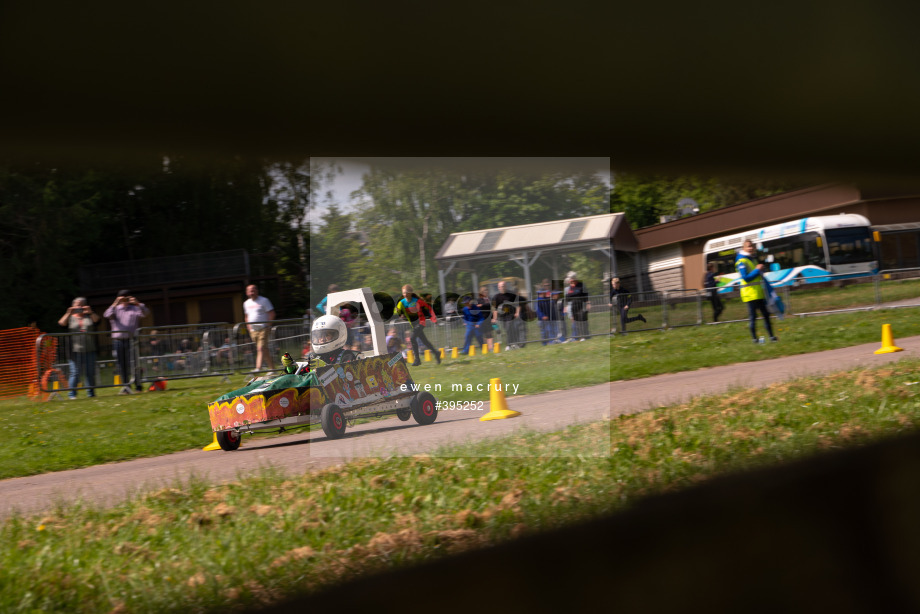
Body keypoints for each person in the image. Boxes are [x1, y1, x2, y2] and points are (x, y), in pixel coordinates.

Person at [104, 289, 149, 392]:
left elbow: (146, 313)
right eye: (122, 297)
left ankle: (138, 386)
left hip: (132, 340)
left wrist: (137, 303)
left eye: (127, 297)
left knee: (134, 364)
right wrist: (115, 303)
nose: (125, 299)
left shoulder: (135, 308)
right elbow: (106, 315)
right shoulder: (115, 309)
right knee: (121, 364)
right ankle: (126, 386)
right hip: (118, 340)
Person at [736, 239, 778, 343]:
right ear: (743, 248)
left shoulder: (752, 259)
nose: (751, 248)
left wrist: (761, 270)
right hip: (750, 294)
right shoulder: (741, 261)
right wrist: (757, 270)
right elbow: (746, 278)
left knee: (766, 315)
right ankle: (755, 339)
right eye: (748, 246)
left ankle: (772, 337)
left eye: (752, 246)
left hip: (758, 292)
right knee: (753, 317)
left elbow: (756, 274)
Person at [58, 297, 100, 399]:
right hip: (74, 350)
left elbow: (98, 321)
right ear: (73, 306)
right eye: (77, 304)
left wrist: (90, 312)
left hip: (89, 348)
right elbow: (61, 324)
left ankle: (91, 394)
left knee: (90, 372)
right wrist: (68, 313)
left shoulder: (89, 316)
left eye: (82, 304)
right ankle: (72, 395)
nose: (79, 307)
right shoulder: (71, 316)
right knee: (75, 373)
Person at [395, 284, 441, 365]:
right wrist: (400, 314)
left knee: (412, 338)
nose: (404, 295)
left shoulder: (417, 301)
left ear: (410, 293)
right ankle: (436, 353)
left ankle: (417, 360)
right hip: (413, 324)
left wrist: (433, 318)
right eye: (403, 293)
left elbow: (428, 308)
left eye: (406, 293)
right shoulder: (402, 302)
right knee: (425, 341)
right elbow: (397, 311)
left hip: (421, 322)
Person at [244, 284, 276, 372]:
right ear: (247, 293)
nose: (252, 292)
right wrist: (249, 327)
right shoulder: (246, 303)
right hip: (253, 330)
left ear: (257, 291)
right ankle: (272, 369)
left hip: (263, 328)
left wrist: (268, 325)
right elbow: (246, 316)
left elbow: (272, 313)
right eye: (250, 291)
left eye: (254, 290)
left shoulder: (264, 300)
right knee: (264, 349)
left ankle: (258, 368)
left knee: (260, 348)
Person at [492, 281, 522, 350]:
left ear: (506, 286)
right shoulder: (496, 297)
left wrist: (517, 313)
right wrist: (494, 318)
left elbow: (518, 304)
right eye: (501, 286)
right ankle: (514, 344)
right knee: (508, 330)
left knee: (509, 328)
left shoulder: (511, 294)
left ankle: (509, 344)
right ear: (498, 287)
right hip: (502, 316)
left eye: (504, 286)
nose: (502, 287)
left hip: (511, 315)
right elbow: (495, 309)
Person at [535, 281, 561, 345]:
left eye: (544, 293)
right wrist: (542, 316)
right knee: (544, 332)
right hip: (542, 319)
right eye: (542, 293)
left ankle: (551, 342)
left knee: (549, 330)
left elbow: (551, 305)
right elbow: (538, 310)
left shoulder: (547, 299)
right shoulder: (537, 300)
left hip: (548, 319)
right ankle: (544, 343)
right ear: (540, 293)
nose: (543, 294)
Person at [474, 286, 495, 352]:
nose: (486, 292)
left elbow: (493, 307)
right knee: (483, 333)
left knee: (489, 333)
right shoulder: (479, 300)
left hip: (489, 318)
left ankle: (491, 348)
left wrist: (494, 318)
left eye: (486, 290)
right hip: (482, 319)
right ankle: (485, 348)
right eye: (484, 291)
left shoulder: (490, 298)